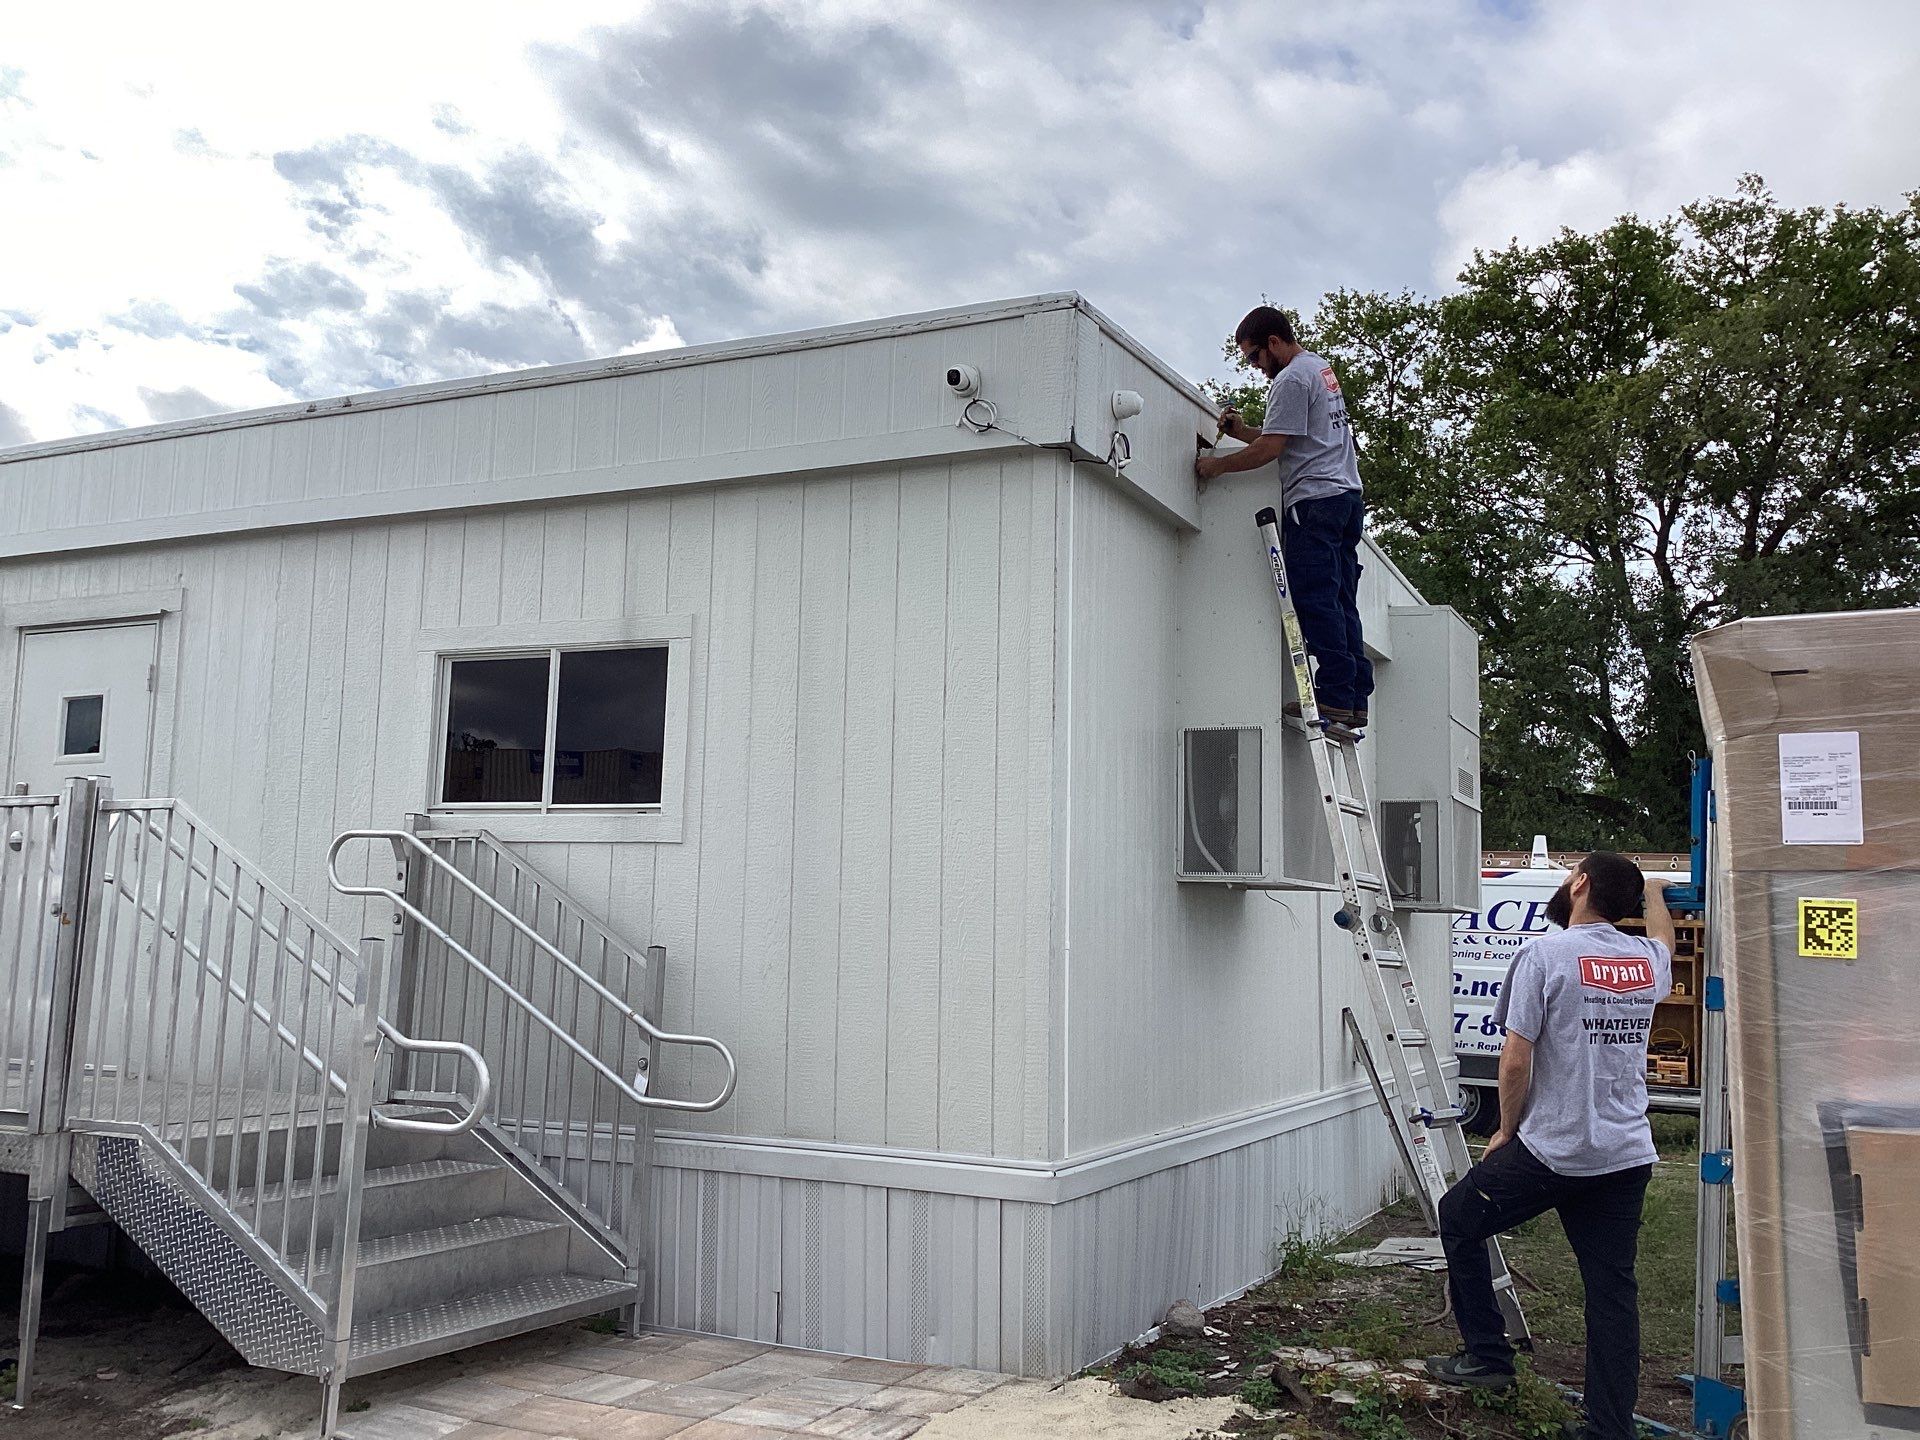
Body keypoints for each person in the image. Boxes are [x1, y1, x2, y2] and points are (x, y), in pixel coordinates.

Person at [1424, 852, 1676, 1440]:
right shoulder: (1643, 960)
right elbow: (1664, 942)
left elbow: (1515, 1059)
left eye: (1570, 875)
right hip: (1624, 1155)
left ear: (1580, 883)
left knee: (1458, 1216)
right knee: (1612, 1294)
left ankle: (1488, 1358)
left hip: (1552, 1152)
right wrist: (1657, 895)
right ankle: (1609, 1429)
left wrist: (1505, 1131)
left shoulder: (1546, 955)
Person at [1195, 305, 1373, 729]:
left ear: (1273, 342)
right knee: (1341, 600)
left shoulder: (1291, 379)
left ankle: (1332, 696)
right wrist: (1242, 433)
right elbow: (1289, 437)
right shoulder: (1318, 369)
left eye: (1254, 356)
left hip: (1314, 502)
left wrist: (1216, 466)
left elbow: (1271, 450)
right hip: (1345, 499)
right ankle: (1352, 699)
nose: (1255, 366)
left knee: (1315, 598)